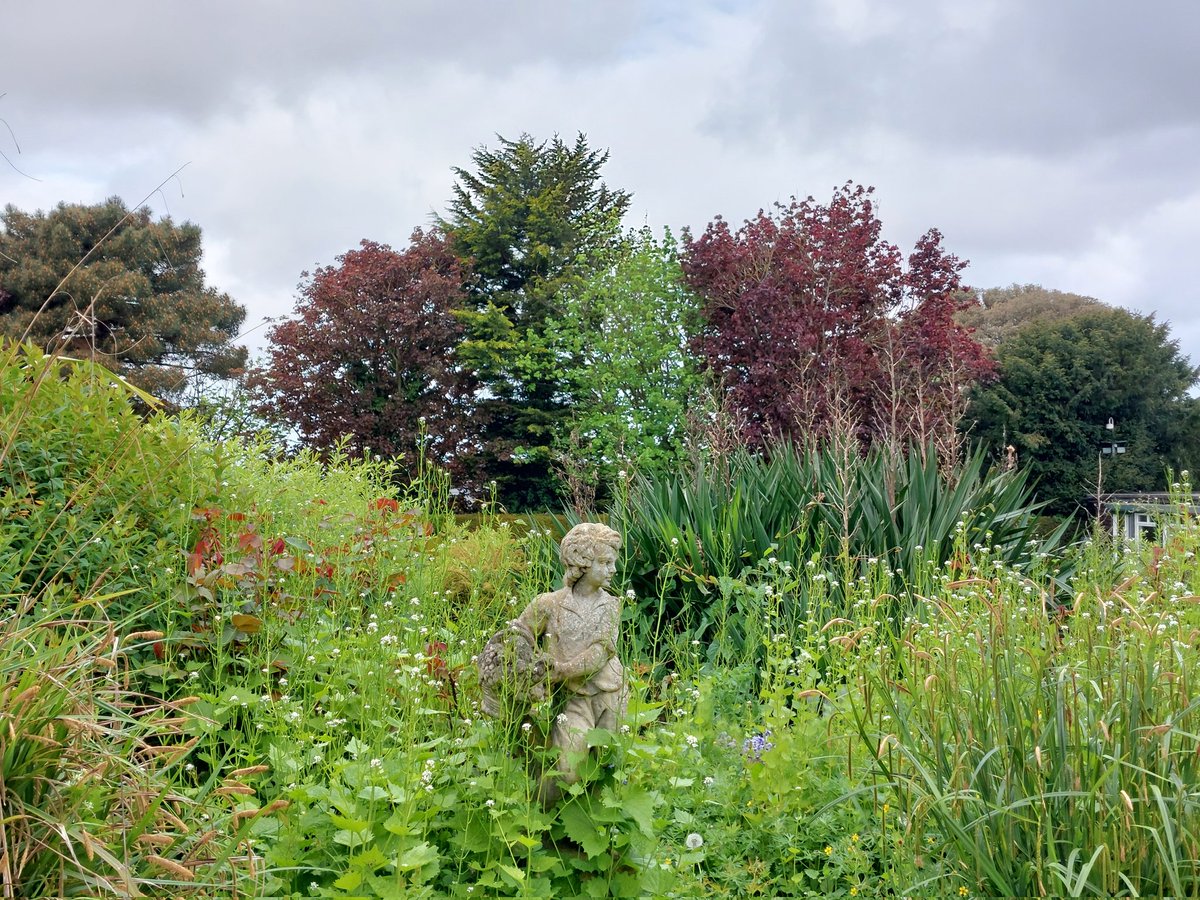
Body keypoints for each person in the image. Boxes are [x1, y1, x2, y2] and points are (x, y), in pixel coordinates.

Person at [515, 522, 626, 805]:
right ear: (582, 564)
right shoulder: (549, 604)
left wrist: (560, 670)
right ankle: (550, 823)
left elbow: (601, 652)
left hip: (610, 695)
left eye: (614, 562)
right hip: (572, 699)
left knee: (609, 766)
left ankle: (602, 830)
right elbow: (520, 633)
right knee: (568, 769)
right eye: (605, 562)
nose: (613, 569)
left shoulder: (611, 606)